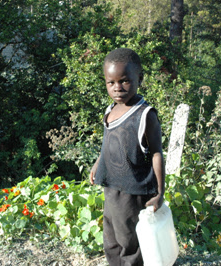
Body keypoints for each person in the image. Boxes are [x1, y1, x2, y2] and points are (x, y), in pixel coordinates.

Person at [89, 48, 165, 266]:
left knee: (130, 243)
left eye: (124, 81)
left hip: (133, 192)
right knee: (111, 240)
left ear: (139, 78)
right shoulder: (110, 109)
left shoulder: (145, 115)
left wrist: (160, 192)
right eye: (110, 82)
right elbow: (109, 142)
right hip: (112, 187)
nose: (117, 88)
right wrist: (98, 164)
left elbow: (157, 153)